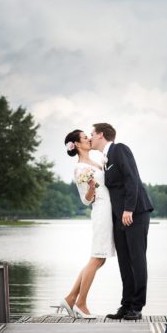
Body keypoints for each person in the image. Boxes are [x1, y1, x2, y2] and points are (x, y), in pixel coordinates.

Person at [89, 122, 153, 320]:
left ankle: (137, 306)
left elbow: (131, 178)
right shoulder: (106, 159)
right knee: (124, 262)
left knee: (137, 259)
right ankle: (126, 305)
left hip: (134, 213)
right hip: (118, 217)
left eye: (92, 133)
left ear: (101, 135)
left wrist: (128, 209)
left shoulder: (120, 149)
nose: (90, 137)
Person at [56, 129, 113, 318]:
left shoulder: (95, 162)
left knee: (100, 258)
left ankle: (71, 297)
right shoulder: (80, 168)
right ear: (77, 144)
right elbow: (86, 200)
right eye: (84, 137)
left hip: (108, 209)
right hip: (101, 210)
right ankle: (80, 303)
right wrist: (90, 188)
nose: (89, 139)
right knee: (97, 257)